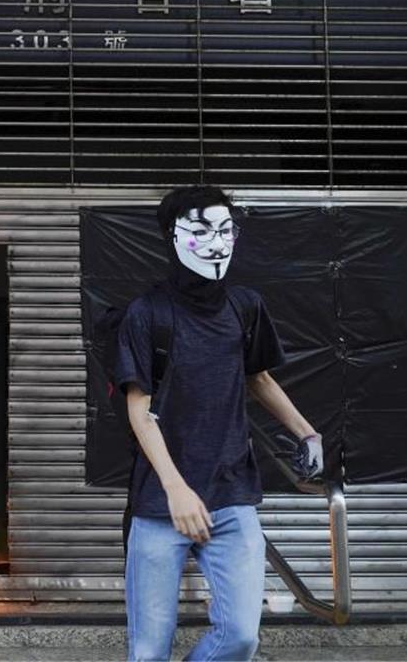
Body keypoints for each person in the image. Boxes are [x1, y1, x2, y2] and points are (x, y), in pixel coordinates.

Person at [115, 185, 323, 662]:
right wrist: (176, 489)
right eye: (202, 229)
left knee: (242, 638)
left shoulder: (243, 307)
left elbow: (258, 377)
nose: (217, 241)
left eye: (227, 229)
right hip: (158, 504)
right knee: (148, 653)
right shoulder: (147, 313)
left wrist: (306, 431)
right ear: (173, 236)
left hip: (231, 495)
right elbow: (138, 409)